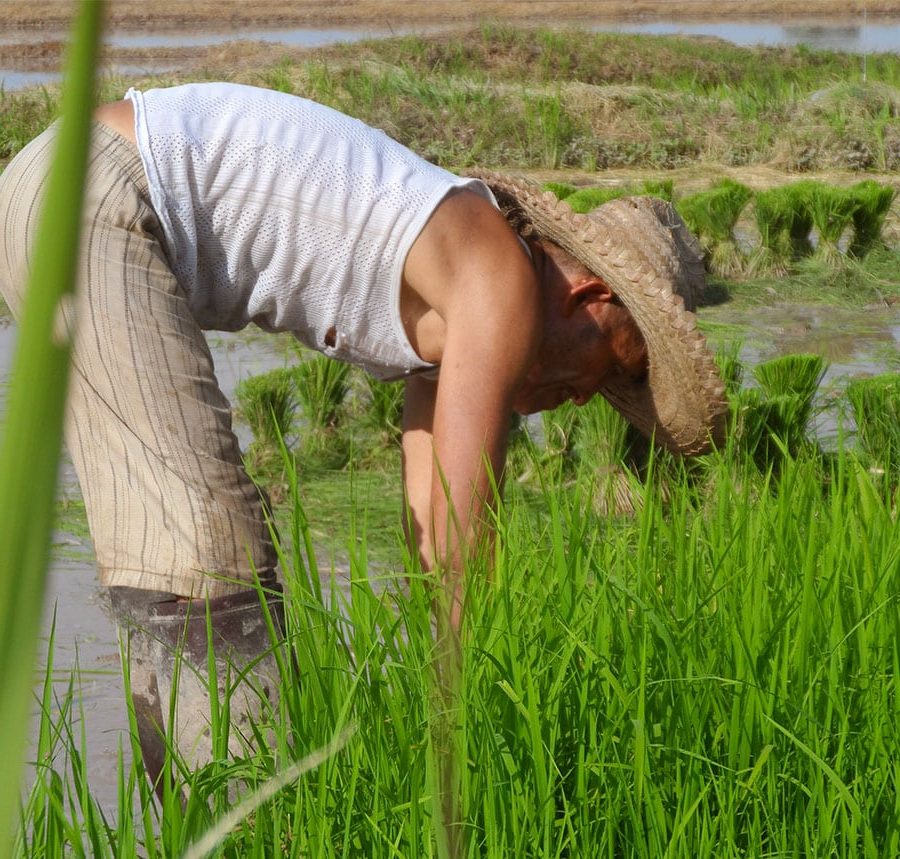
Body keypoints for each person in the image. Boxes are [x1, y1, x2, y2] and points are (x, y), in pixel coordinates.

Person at [0, 82, 726, 786]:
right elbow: (473, 525)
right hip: (101, 196)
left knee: (157, 548)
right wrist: (464, 708)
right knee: (213, 549)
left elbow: (435, 522)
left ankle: (194, 820)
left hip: (53, 186)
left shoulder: (450, 294)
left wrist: (426, 675)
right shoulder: (498, 275)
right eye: (605, 370)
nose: (578, 400)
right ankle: (249, 824)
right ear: (588, 297)